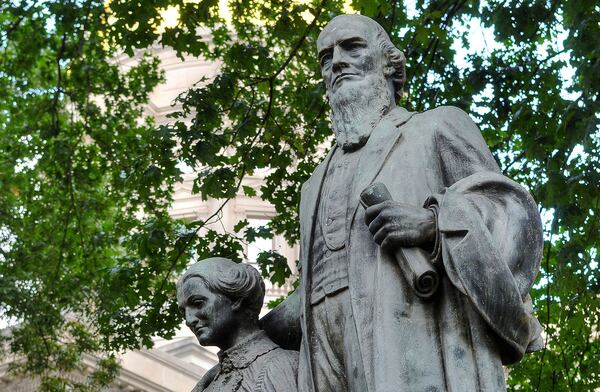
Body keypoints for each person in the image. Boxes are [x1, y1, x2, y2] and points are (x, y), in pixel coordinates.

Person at [262, 14, 544, 392]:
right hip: (326, 358)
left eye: (352, 47)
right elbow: (320, 285)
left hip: (415, 336)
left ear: (390, 65)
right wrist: (247, 332)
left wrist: (433, 225)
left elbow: (509, 216)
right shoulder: (312, 185)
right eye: (326, 57)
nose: (338, 61)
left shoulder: (435, 127)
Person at [177, 257, 298, 392]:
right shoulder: (207, 384)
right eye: (183, 312)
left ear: (235, 299)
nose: (189, 320)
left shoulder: (280, 366)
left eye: (198, 303)